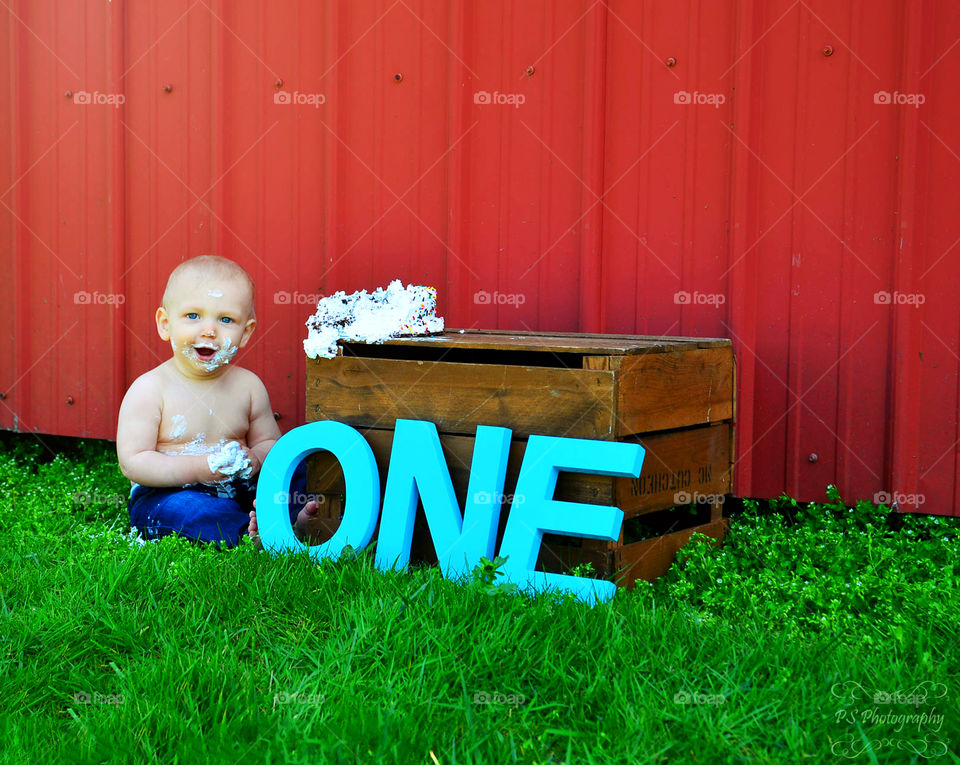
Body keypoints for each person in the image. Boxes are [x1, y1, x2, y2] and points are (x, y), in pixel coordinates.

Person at [116, 255, 318, 548]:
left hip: (240, 487)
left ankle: (290, 520)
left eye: (225, 320)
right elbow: (134, 462)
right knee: (189, 511)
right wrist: (201, 468)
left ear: (245, 333)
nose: (209, 330)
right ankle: (248, 534)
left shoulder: (248, 386)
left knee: (294, 463)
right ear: (165, 324)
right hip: (169, 492)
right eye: (193, 316)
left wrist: (256, 459)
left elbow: (268, 443)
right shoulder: (150, 389)